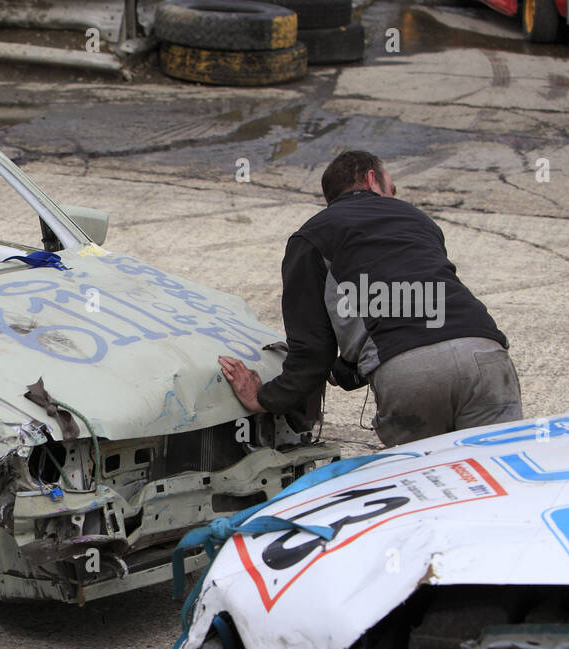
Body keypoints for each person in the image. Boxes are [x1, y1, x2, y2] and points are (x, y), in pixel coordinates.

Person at [218, 150, 522, 447]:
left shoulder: (312, 237)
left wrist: (265, 399)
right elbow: (412, 312)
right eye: (393, 188)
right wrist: (345, 370)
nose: (393, 196)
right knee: (500, 471)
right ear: (372, 179)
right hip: (485, 354)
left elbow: (313, 351)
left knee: (428, 476)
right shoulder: (418, 220)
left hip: (411, 374)